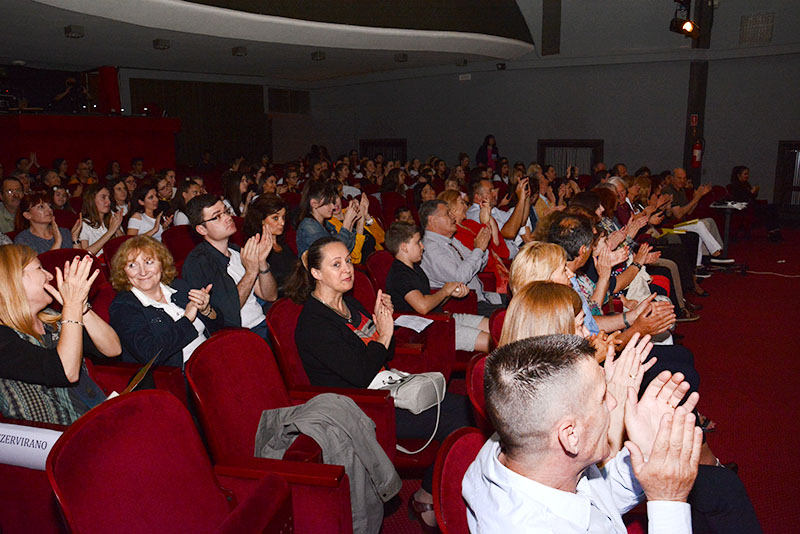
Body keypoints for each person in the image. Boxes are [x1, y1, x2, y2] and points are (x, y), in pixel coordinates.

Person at [286, 236, 473, 531]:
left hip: (387, 388)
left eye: (348, 261)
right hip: (364, 409)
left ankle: (431, 493)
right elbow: (361, 373)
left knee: (467, 408)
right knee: (462, 419)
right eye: (336, 264)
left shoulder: (349, 303)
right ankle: (428, 497)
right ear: (316, 273)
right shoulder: (315, 324)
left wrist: (384, 323)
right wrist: (383, 334)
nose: (347, 269)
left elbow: (385, 352)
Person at [463, 334, 704, 533]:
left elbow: (596, 501)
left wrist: (647, 450)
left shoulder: (516, 443)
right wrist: (668, 502)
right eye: (603, 397)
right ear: (570, 436)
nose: (613, 403)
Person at [0, 247, 121, 424]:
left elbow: (113, 349)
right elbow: (66, 372)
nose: (49, 275)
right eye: (39, 268)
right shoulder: (3, 337)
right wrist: (71, 306)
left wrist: (81, 308)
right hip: (51, 434)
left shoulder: (52, 320)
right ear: (13, 280)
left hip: (92, 418)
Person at [108, 236, 223, 368]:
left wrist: (206, 310)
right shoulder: (123, 308)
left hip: (212, 354)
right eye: (132, 265)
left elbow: (219, 326)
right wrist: (187, 320)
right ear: (124, 272)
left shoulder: (178, 286)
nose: (143, 272)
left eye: (149, 262)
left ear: (161, 265)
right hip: (180, 373)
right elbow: (150, 354)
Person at [384, 222, 491, 352]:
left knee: (496, 328)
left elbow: (431, 302)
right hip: (426, 329)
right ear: (404, 247)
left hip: (439, 318)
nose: (422, 246)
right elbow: (423, 306)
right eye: (418, 243)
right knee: (491, 341)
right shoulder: (400, 274)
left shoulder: (415, 268)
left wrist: (449, 293)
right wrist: (445, 291)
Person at [182, 195, 277, 338]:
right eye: (217, 217)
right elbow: (227, 315)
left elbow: (270, 296)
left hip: (263, 322)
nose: (227, 218)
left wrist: (262, 263)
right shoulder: (199, 263)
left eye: (226, 211)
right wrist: (251, 272)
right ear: (202, 229)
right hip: (240, 336)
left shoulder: (236, 250)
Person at [419, 200, 505, 317]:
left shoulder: (451, 240)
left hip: (482, 296)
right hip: (466, 305)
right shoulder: (431, 248)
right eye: (447, 214)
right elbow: (459, 279)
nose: (453, 216)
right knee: (516, 314)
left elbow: (479, 264)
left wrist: (482, 249)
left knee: (521, 299)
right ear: (433, 221)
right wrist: (479, 250)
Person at [439, 190, 510, 294]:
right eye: (461, 203)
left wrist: (488, 218)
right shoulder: (453, 232)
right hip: (483, 273)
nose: (466, 206)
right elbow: (480, 253)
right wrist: (485, 223)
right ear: (451, 207)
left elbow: (496, 245)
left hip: (497, 268)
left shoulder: (470, 223)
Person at [242, 194, 297, 296]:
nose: (282, 223)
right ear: (262, 220)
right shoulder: (255, 249)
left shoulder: (283, 243)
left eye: (283, 217)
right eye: (275, 218)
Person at [466, 177, 532, 258]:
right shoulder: (476, 214)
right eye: (490, 191)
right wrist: (521, 199)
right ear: (478, 197)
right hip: (502, 260)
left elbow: (521, 221)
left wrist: (526, 197)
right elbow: (510, 233)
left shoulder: (493, 209)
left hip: (513, 254)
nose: (495, 193)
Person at [295, 180, 357, 255]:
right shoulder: (308, 226)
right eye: (328, 203)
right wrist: (347, 223)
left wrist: (351, 222)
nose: (333, 207)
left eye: (332, 202)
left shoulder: (326, 224)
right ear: (314, 204)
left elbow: (347, 248)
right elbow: (332, 252)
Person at [13, 192, 81, 254]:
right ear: (27, 215)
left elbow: (81, 258)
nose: (49, 209)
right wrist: (57, 242)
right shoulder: (23, 239)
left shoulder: (64, 232)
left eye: (50, 206)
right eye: (41, 207)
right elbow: (41, 263)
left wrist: (75, 238)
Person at [728, 165, 781, 241]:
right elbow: (742, 199)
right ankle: (772, 231)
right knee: (768, 209)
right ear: (739, 175)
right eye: (745, 174)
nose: (747, 176)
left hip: (752, 206)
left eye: (747, 174)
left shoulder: (746, 184)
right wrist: (751, 192)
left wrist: (755, 192)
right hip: (745, 208)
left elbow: (752, 197)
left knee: (773, 207)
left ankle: (774, 230)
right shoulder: (735, 186)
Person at [78, 184, 124, 256]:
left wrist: (117, 229)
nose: (108, 201)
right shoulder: (84, 224)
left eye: (109, 198)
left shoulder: (112, 219)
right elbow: (85, 254)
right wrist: (110, 232)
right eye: (103, 197)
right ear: (92, 200)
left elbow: (126, 247)